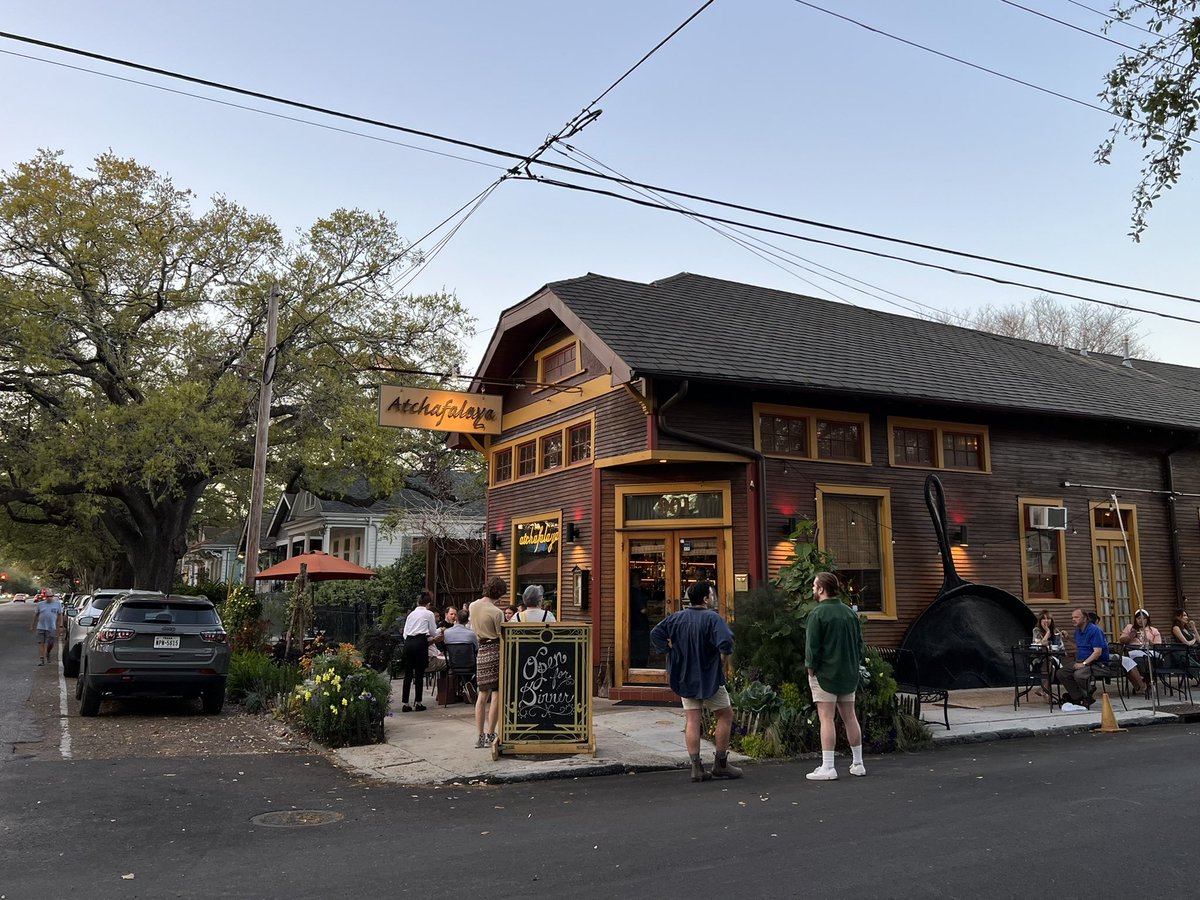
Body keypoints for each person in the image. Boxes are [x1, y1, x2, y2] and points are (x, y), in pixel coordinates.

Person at [650, 579, 742, 782]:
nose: (713, 598)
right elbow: (726, 641)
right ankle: (720, 764)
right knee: (725, 714)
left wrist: (670, 652)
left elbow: (656, 633)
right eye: (712, 594)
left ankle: (696, 767)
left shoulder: (676, 618)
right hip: (710, 676)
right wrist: (722, 658)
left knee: (692, 719)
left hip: (684, 676)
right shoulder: (713, 618)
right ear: (705, 599)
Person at [804, 572, 866, 781]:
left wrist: (811, 669)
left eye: (814, 586)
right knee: (850, 716)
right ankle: (858, 763)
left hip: (825, 674)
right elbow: (859, 644)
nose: (813, 589)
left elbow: (812, 647)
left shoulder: (817, 614)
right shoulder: (849, 613)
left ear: (822, 589)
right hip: (848, 673)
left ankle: (828, 766)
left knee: (826, 718)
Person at [468, 576, 507, 749]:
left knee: (482, 694)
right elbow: (501, 635)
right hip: (496, 650)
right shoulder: (497, 612)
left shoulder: (472, 606)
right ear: (499, 593)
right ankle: (491, 733)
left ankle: (480, 736)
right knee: (496, 693)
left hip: (482, 651)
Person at [1055, 607, 1113, 709]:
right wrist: (1067, 638)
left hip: (1098, 664)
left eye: (1076, 617)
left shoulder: (1095, 630)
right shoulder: (1078, 631)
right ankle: (1080, 698)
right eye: (1072, 617)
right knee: (1061, 673)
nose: (1073, 619)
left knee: (1079, 674)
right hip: (1081, 661)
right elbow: (1078, 647)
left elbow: (1097, 652)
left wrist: (1084, 664)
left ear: (1085, 618)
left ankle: (1086, 694)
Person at [400, 590, 442, 712]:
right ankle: (418, 702)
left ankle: (405, 703)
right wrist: (438, 632)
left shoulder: (411, 614)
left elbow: (405, 633)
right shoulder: (429, 614)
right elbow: (433, 632)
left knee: (408, 674)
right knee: (419, 673)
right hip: (420, 642)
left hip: (408, 642)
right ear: (428, 603)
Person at [1117, 608, 1158, 695]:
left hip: (1149, 652)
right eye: (1138, 618)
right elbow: (1121, 640)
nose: (1141, 620)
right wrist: (1130, 636)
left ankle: (1144, 683)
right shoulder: (1130, 628)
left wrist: (1149, 642)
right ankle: (1142, 684)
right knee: (1130, 661)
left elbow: (1158, 645)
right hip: (1133, 651)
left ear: (1147, 619)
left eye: (1143, 618)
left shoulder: (1153, 630)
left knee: (1149, 659)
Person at [1031, 610, 1065, 695]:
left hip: (1054, 657)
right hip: (1039, 657)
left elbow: (1061, 647)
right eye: (1044, 619)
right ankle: (1045, 690)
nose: (1046, 621)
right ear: (1040, 621)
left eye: (1048, 619)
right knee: (1049, 663)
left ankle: (1043, 689)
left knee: (1050, 662)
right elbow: (1039, 645)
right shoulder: (1036, 630)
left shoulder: (1056, 631)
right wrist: (1047, 632)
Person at [30, 592, 64, 666]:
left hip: (51, 627)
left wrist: (60, 626)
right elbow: (35, 615)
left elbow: (60, 615)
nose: (49, 598)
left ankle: (48, 653)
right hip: (41, 627)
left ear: (53, 596)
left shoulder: (57, 604)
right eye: (47, 596)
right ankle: (42, 659)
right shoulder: (40, 604)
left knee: (51, 643)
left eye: (50, 596)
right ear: (45, 597)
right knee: (41, 642)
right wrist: (32, 625)